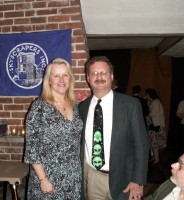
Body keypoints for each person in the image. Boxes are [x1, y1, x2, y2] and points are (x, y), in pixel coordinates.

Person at [78, 56, 149, 200]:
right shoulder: (82, 108)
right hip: (94, 179)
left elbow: (141, 145)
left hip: (125, 180)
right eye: (94, 73)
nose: (99, 77)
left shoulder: (130, 105)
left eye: (103, 73)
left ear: (111, 76)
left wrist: (138, 180)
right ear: (88, 78)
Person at [24, 58, 83, 199]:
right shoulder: (39, 107)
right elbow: (32, 148)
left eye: (65, 75)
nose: (61, 80)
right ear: (49, 80)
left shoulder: (75, 105)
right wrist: (43, 179)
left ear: (70, 78)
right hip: (48, 178)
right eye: (56, 75)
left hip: (73, 176)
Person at [145, 88, 166, 165]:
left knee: (154, 144)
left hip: (155, 126)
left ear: (150, 95)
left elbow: (153, 114)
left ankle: (156, 159)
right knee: (153, 143)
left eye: (147, 94)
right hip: (154, 126)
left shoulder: (155, 102)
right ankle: (155, 157)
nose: (146, 96)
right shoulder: (153, 102)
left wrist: (147, 116)